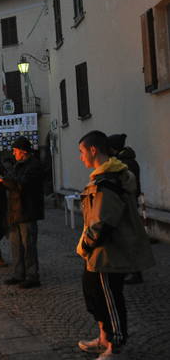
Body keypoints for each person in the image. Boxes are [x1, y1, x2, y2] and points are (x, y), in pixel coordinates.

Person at [76, 130, 155, 360]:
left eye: (81, 152)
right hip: (98, 253)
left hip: (108, 252)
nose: (80, 157)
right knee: (94, 295)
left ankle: (114, 346)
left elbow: (104, 222)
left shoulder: (108, 181)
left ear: (93, 150)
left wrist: (85, 245)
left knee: (110, 298)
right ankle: (103, 338)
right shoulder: (105, 177)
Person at [0, 136, 44, 289]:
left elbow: (21, 185)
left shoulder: (34, 166)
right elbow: (11, 181)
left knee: (28, 245)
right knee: (16, 245)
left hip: (27, 210)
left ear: (23, 152)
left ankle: (32, 276)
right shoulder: (18, 165)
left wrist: (1, 180)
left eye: (15, 151)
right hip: (14, 211)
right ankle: (19, 274)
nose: (13, 154)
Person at [108, 134, 144, 285]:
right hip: (129, 202)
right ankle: (132, 271)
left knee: (129, 239)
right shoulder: (129, 161)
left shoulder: (124, 164)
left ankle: (135, 272)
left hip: (127, 204)